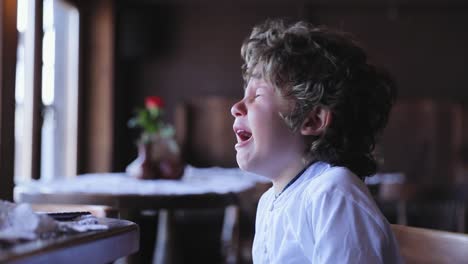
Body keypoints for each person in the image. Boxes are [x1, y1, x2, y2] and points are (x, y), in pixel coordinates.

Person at [231, 18, 403, 263]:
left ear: (311, 120)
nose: (236, 108)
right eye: (244, 94)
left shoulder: (333, 193)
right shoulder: (270, 201)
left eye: (257, 95)